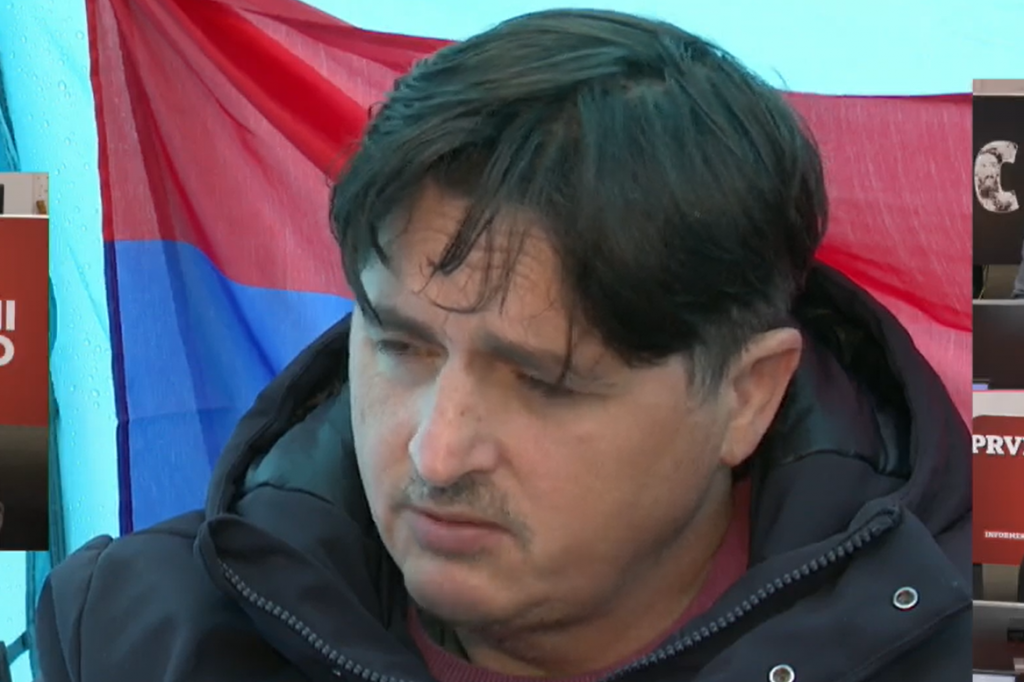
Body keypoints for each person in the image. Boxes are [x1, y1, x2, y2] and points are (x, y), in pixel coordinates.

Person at [35, 9, 971, 682]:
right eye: (401, 347)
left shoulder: (966, 651)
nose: (435, 454)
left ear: (747, 396)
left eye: (544, 382)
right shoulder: (134, 638)